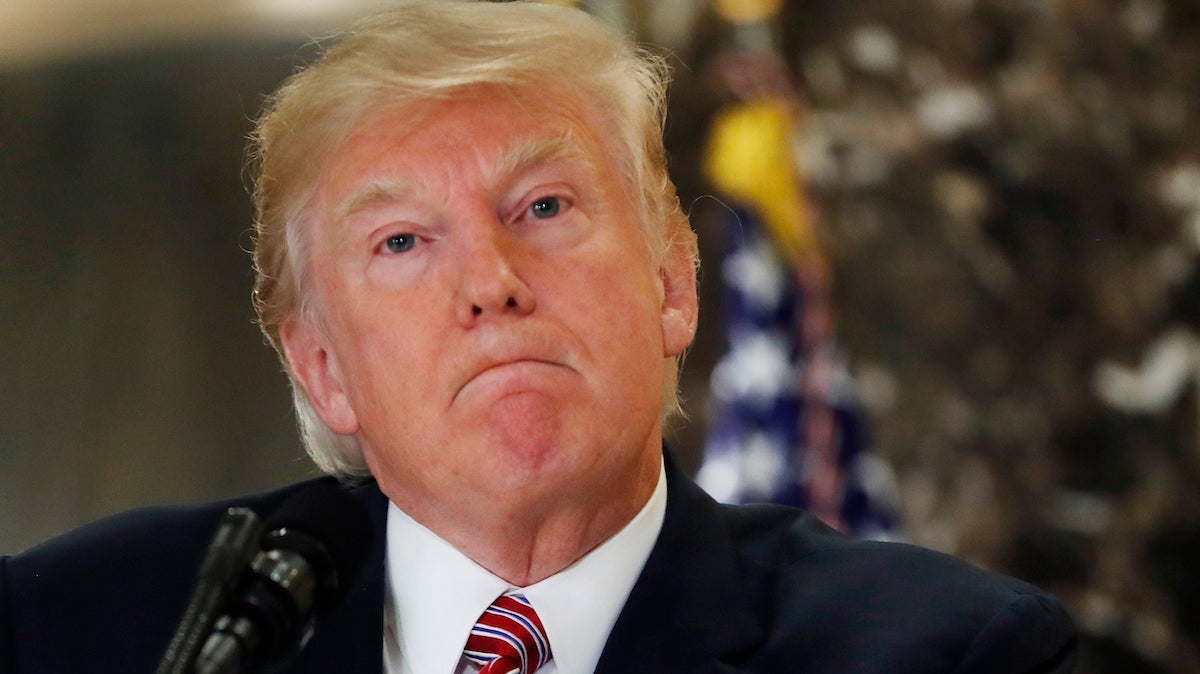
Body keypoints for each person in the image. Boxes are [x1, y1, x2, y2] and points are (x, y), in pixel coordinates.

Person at [0, 2, 1079, 673]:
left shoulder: (945, 651)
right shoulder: (76, 632)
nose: (491, 285)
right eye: (405, 240)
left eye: (545, 209)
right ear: (325, 369)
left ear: (671, 283)